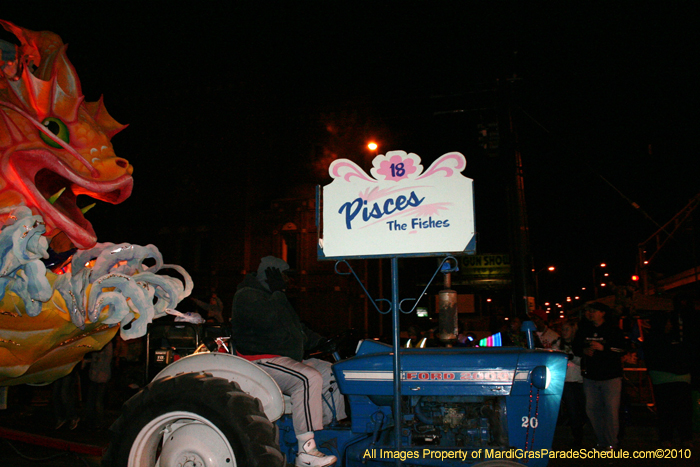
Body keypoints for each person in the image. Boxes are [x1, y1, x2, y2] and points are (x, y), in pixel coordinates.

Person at [232, 256, 344, 467]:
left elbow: (296, 329)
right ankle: (306, 452)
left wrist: (321, 341)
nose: (286, 281)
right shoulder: (247, 296)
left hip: (285, 358)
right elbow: (270, 321)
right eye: (283, 276)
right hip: (258, 360)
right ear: (271, 275)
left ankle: (327, 430)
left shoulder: (273, 296)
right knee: (307, 378)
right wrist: (277, 293)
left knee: (332, 371)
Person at [573, 302, 627, 449]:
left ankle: (612, 443)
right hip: (590, 377)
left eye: (594, 311)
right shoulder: (584, 329)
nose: (591, 313)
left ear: (603, 313)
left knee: (611, 411)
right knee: (592, 409)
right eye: (589, 311)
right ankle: (601, 440)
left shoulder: (613, 330)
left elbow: (622, 349)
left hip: (611, 377)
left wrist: (605, 348)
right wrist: (584, 351)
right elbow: (575, 347)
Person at [643, 304, 694, 447]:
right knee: (670, 410)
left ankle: (675, 437)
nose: (670, 325)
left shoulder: (672, 337)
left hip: (672, 377)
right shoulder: (656, 339)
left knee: (677, 410)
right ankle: (674, 437)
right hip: (668, 377)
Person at [555, 319, 586, 446]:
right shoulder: (557, 344)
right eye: (563, 329)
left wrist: (572, 358)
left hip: (581, 381)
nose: (564, 332)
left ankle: (584, 431)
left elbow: (583, 361)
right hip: (567, 381)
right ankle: (577, 438)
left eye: (567, 329)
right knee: (572, 410)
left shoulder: (580, 344)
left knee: (585, 410)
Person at [84, 340, 113, 429]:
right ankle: (90, 421)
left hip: (102, 377)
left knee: (98, 402)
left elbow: (106, 360)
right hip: (94, 376)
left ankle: (99, 422)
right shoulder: (98, 344)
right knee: (91, 401)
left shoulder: (107, 345)